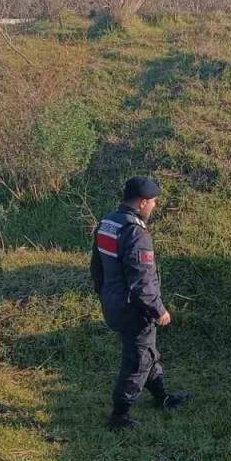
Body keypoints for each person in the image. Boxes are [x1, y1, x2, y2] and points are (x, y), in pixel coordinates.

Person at [90, 177, 190, 430]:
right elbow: (142, 281)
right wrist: (159, 310)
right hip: (134, 309)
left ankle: (162, 397)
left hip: (113, 301)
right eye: (153, 202)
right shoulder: (135, 232)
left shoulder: (108, 223)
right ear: (143, 202)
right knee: (138, 361)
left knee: (146, 352)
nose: (154, 207)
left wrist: (103, 294)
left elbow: (97, 267)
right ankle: (119, 416)